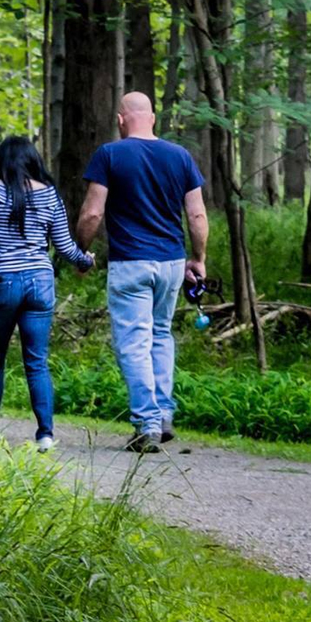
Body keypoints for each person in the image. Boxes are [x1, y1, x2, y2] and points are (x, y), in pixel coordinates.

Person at [76, 91, 208, 453]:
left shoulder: (110, 155)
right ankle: (164, 413)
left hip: (131, 262)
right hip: (171, 263)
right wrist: (198, 258)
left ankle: (147, 422)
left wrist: (78, 250)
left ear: (121, 119)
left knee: (134, 342)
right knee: (161, 335)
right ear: (153, 117)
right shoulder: (180, 156)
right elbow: (196, 214)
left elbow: (91, 213)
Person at [0, 136, 94, 453]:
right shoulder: (50, 195)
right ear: (33, 162)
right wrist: (86, 262)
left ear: (1, 162)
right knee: (37, 362)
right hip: (41, 283)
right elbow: (64, 246)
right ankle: (45, 435)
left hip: (3, 281)